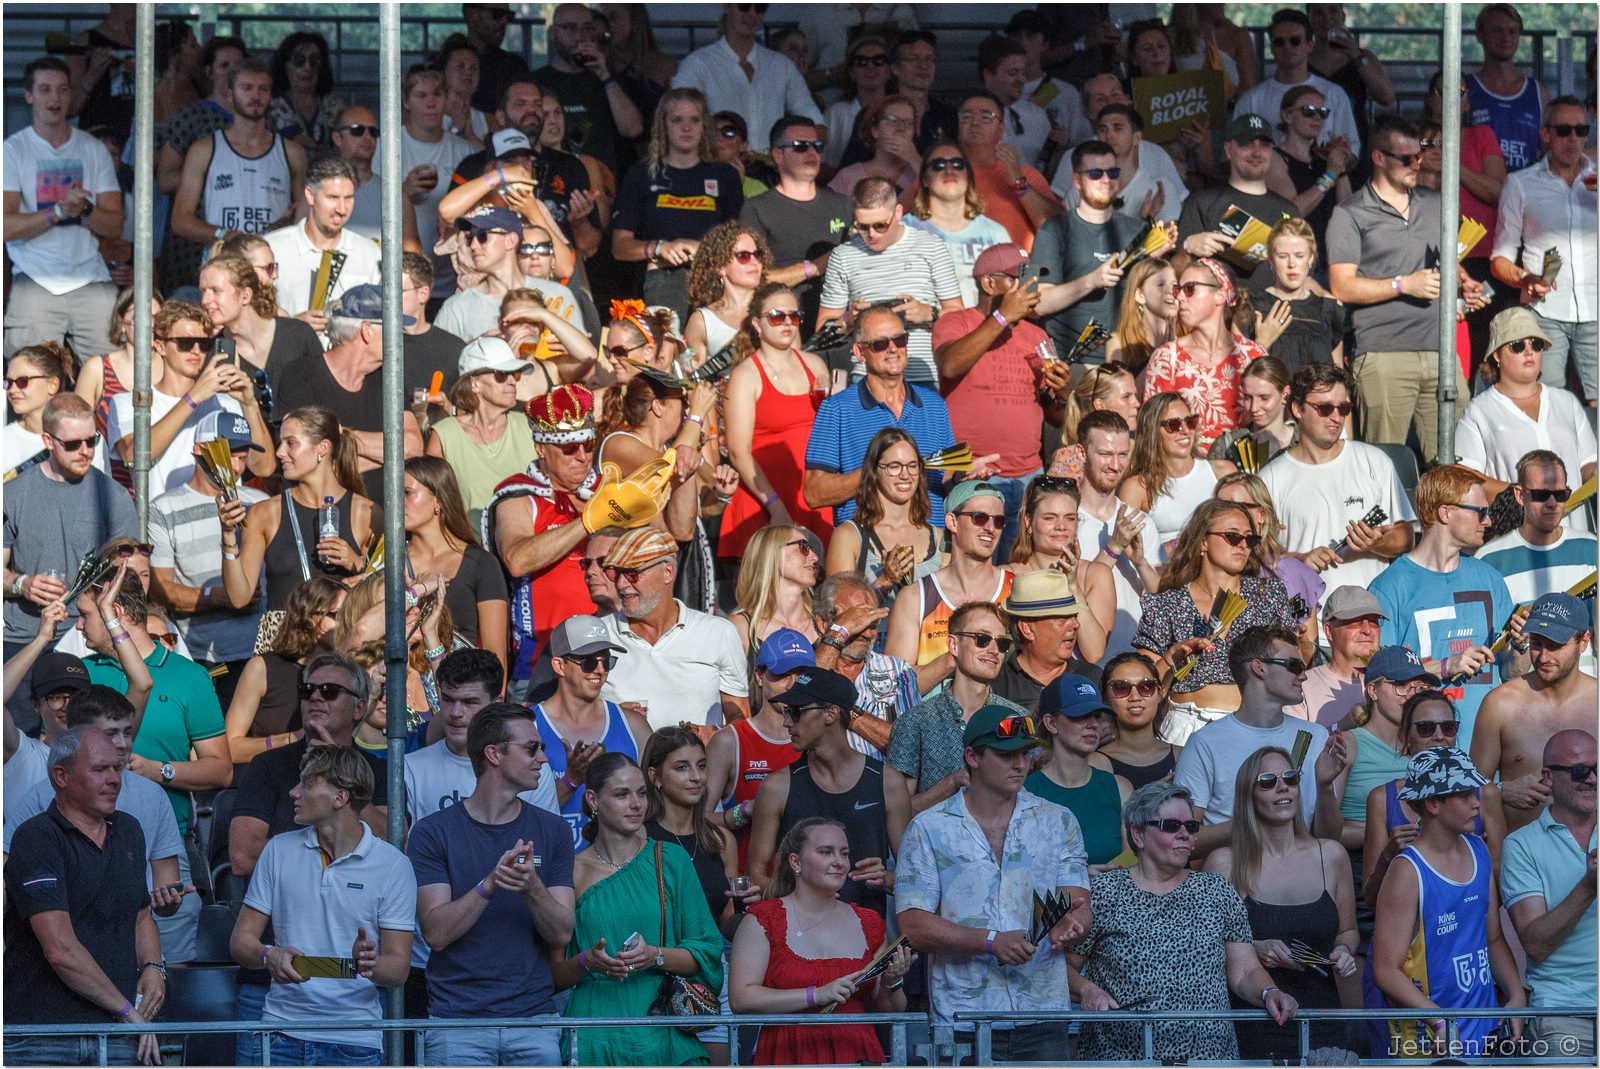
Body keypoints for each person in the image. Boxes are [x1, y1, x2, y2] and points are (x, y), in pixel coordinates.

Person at [897, 705, 1090, 1060]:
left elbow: (1078, 903)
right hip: (963, 1019)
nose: (1020, 763)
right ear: (972, 756)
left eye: (1025, 752)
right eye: (1005, 754)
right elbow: (913, 926)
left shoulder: (1058, 820)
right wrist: (989, 942)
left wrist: (1071, 926)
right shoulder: (929, 827)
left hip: (1043, 1013)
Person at [1074, 780, 1299, 1061]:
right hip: (1122, 1057)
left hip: (1209, 1056)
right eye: (1171, 826)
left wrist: (1269, 992)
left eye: (1191, 827)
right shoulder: (1104, 892)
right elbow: (1064, 967)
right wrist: (1087, 990)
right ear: (1139, 835)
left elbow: (1243, 970)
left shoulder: (1216, 890)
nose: (1184, 834)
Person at [409, 702, 575, 1065]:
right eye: (532, 748)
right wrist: (490, 884)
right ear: (494, 754)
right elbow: (435, 933)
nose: (543, 760)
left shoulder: (553, 830)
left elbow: (562, 933)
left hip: (534, 1020)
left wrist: (533, 889)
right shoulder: (432, 832)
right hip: (457, 1024)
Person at [230, 745, 414, 1066]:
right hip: (280, 1032)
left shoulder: (393, 865)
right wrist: (268, 954)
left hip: (354, 1039)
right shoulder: (278, 850)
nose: (293, 792)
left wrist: (368, 964)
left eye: (306, 784)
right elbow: (240, 942)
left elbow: (398, 969)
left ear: (339, 798)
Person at [2, 728, 163, 1067]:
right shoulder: (36, 838)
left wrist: (153, 966)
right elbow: (59, 950)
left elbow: (141, 913)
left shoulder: (130, 830)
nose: (114, 779)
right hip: (43, 1037)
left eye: (117, 768)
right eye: (99, 769)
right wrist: (127, 1011)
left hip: (118, 1032)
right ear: (61, 776)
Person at [1327, 113, 1482, 463]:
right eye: (1406, 158)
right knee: (1386, 463)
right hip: (1384, 353)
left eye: (1419, 155)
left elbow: (1446, 259)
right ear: (1378, 158)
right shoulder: (1350, 214)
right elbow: (1341, 286)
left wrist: (1463, 281)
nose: (1417, 164)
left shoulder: (1435, 203)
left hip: (1441, 351)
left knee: (1455, 463)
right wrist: (1402, 285)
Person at [554, 753, 722, 1066]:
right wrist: (586, 962)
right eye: (621, 794)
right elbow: (553, 974)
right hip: (595, 1032)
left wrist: (656, 955)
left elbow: (708, 951)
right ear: (592, 799)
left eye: (641, 793)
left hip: (662, 1028)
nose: (636, 804)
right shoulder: (572, 871)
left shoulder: (670, 859)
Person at [1202, 745, 1357, 1060]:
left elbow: (1348, 930)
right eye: (1268, 781)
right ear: (1249, 794)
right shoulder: (1225, 863)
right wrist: (1253, 947)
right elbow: (1203, 947)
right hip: (1254, 1019)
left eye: (1290, 777)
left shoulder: (1331, 855)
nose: (1283, 786)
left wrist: (1343, 951)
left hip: (1322, 1017)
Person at [1370, 747, 1524, 1058]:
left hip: (1484, 1030)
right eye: (1464, 794)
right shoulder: (1407, 870)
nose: (1476, 803)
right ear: (1432, 803)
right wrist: (1439, 1019)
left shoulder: (1478, 849)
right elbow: (1385, 969)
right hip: (1430, 1042)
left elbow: (1492, 938)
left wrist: (1516, 994)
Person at [730, 816, 913, 1065]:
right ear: (795, 861)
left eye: (844, 853)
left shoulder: (869, 922)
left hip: (856, 1052)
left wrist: (892, 982)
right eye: (826, 852)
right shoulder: (764, 918)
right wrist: (814, 995)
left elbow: (889, 1011)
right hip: (789, 1052)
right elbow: (741, 998)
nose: (839, 862)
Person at [74, 563, 232, 833]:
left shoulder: (190, 677)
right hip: (91, 838)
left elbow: (221, 770)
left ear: (115, 612)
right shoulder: (80, 673)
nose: (78, 625)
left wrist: (158, 770)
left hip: (168, 838)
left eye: (84, 615)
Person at [1369, 465, 1516, 749]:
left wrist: (1519, 644)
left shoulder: (1490, 578)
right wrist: (1448, 665)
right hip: (1421, 752)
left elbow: (1510, 670)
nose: (1488, 521)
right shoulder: (1389, 587)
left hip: (1485, 749)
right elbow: (1381, 681)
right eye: (1480, 512)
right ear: (1445, 512)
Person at [933, 242, 1065, 555]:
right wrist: (1003, 317)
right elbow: (950, 363)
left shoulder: (1038, 336)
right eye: (1020, 279)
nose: (1030, 287)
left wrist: (1062, 393)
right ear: (989, 283)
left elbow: (1055, 415)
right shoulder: (955, 322)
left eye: (1033, 278)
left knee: (1017, 577)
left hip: (1027, 477)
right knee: (972, 576)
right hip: (972, 473)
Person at [749, 667, 910, 920]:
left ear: (831, 713)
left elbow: (913, 876)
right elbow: (756, 872)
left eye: (797, 712)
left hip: (865, 941)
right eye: (787, 712)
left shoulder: (887, 782)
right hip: (799, 940)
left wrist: (887, 879)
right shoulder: (777, 786)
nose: (786, 721)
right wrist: (798, 899)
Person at [1132, 502, 1301, 741]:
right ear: (1203, 541)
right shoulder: (1167, 603)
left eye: (1250, 539)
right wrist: (1171, 658)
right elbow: (1143, 686)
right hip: (1186, 726)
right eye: (1232, 537)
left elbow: (1293, 664)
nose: (1243, 545)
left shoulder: (1268, 593)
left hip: (1253, 725)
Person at [1172, 625, 1343, 856]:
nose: (1303, 675)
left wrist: (1324, 788)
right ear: (1259, 667)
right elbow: (1183, 841)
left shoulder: (1316, 736)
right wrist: (1254, 822)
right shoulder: (1205, 743)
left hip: (1302, 874)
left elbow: (1329, 840)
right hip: (1236, 880)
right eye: (1294, 666)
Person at [1258, 364, 1416, 610]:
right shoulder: (1270, 479)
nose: (1336, 417)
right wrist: (1299, 559)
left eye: (1343, 408)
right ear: (1297, 409)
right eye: (1324, 408)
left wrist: (1374, 544)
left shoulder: (1375, 462)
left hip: (1370, 620)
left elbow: (1406, 538)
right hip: (1307, 624)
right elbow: (1255, 556)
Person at [3, 57, 125, 360]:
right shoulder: (12, 150)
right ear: (29, 96)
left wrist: (84, 208)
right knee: (30, 381)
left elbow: (115, 226)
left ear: (71, 95)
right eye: (45, 90)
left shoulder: (93, 149)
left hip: (91, 277)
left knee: (116, 379)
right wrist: (58, 211)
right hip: (34, 277)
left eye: (62, 90)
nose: (54, 98)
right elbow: (5, 226)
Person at [802, 303, 967, 527]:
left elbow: (945, 477)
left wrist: (964, 477)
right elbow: (814, 493)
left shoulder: (934, 405)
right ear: (860, 352)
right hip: (866, 546)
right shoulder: (837, 408)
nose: (892, 348)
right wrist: (878, 470)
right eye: (880, 344)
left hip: (930, 545)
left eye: (900, 340)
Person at [483, 385, 601, 696]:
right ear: (540, 448)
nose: (583, 457)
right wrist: (589, 522)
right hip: (543, 665)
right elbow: (517, 559)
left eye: (589, 446)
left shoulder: (606, 488)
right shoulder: (518, 495)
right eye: (569, 449)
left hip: (607, 659)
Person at [216, 405, 378, 630]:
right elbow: (239, 598)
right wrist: (228, 536)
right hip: (282, 648)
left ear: (322, 448)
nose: (280, 452)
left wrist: (359, 565)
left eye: (290, 443)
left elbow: (390, 591)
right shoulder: (264, 514)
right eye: (281, 442)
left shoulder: (367, 513)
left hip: (340, 645)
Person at [148, 410, 269, 702]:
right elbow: (161, 590)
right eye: (230, 456)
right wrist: (220, 597)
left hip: (260, 654)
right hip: (200, 657)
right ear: (200, 450)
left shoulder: (261, 504)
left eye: (243, 457)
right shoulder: (164, 509)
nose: (238, 467)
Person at [111, 299, 274, 497]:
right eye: (185, 343)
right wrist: (193, 397)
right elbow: (134, 457)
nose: (196, 351)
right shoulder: (129, 402)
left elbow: (263, 468)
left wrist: (249, 404)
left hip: (223, 519)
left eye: (204, 344)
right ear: (160, 346)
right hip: (164, 521)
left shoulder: (227, 403)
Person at [276, 285, 426, 498]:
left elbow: (412, 447)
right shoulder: (300, 376)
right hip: (325, 517)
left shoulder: (388, 378)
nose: (404, 339)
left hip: (381, 520)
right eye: (396, 329)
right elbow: (309, 465)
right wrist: (387, 456)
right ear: (367, 330)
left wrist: (342, 437)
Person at [1501, 729, 1598, 1060]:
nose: (1593, 779)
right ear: (1548, 777)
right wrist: (1588, 886)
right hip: (1565, 1013)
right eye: (1580, 771)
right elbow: (1536, 945)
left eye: (1599, 768)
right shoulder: (1521, 845)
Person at [1033, 140, 1173, 364]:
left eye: (1113, 172)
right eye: (1096, 173)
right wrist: (1092, 281)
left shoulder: (1136, 229)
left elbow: (1155, 299)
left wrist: (1152, 260)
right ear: (1077, 180)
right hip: (1071, 362)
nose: (1106, 180)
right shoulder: (1053, 231)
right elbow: (1038, 304)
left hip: (1128, 360)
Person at [596, 526, 748, 731]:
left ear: (667, 572)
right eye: (615, 573)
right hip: (624, 762)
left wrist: (711, 735)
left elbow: (740, 718)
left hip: (700, 761)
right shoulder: (597, 635)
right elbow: (571, 715)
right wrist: (609, 718)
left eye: (632, 574)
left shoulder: (718, 632)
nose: (622, 584)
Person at [817, 177, 964, 386]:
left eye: (880, 225)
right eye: (862, 226)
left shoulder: (931, 247)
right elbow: (822, 332)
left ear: (898, 212)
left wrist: (927, 313)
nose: (871, 234)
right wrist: (850, 320)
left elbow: (959, 315)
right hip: (867, 376)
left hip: (923, 373)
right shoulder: (843, 256)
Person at [720, 283, 830, 559]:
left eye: (794, 317)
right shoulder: (746, 375)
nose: (787, 323)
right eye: (777, 316)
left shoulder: (815, 365)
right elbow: (738, 451)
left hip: (812, 494)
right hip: (765, 497)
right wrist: (775, 505)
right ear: (757, 324)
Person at [1472, 594, 1597, 835]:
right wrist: (1501, 791)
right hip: (1521, 862)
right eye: (1537, 643)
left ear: (1583, 642)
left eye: (1556, 645)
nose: (1544, 656)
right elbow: (1467, 792)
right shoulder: (1500, 705)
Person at [887, 601, 1026, 814]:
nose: (994, 650)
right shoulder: (916, 722)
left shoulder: (1018, 717)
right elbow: (896, 813)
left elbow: (1030, 803)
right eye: (982, 639)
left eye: (1002, 643)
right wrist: (951, 784)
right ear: (954, 645)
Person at [1457, 309, 1597, 511]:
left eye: (1536, 344)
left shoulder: (1567, 402)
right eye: (1518, 345)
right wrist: (1521, 494)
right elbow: (1465, 476)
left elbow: (1588, 464)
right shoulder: (1478, 411)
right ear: (1497, 354)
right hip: (1515, 532)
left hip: (1571, 532)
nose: (1529, 351)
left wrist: (1594, 473)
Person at [532, 614, 650, 846]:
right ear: (559, 666)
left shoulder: (633, 724)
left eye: (606, 661)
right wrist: (571, 780)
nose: (599, 670)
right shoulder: (529, 726)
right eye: (588, 662)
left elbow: (657, 800)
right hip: (555, 870)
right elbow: (519, 815)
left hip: (618, 871)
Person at [886, 480, 1014, 693]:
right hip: (934, 722)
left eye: (998, 521)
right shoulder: (916, 597)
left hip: (1001, 721)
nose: (990, 528)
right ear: (952, 522)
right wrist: (958, 656)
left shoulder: (1015, 589)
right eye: (979, 518)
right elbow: (896, 687)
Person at [171, 58, 306, 248]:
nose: (256, 96)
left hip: (274, 264)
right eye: (247, 88)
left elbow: (304, 215)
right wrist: (225, 235)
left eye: (263, 89)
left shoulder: (292, 152)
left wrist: (289, 224)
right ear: (229, 94)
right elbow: (180, 220)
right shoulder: (204, 150)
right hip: (222, 266)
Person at [704, 627, 809, 862]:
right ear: (759, 676)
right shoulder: (731, 740)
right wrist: (742, 813)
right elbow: (697, 821)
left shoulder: (818, 739)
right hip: (751, 886)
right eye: (782, 674)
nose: (792, 684)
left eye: (801, 675)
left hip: (807, 886)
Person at [739, 116, 852, 331]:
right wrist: (815, 267)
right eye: (801, 146)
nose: (812, 152)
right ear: (778, 155)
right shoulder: (757, 208)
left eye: (817, 146)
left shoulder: (843, 204)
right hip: (784, 326)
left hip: (839, 327)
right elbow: (752, 281)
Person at [1142, 259, 1266, 450]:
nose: (1180, 298)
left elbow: (1269, 424)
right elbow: (1152, 429)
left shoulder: (1253, 354)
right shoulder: (1167, 357)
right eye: (1178, 290)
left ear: (1220, 295)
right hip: (1186, 468)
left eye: (1190, 289)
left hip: (1243, 467)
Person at [401, 456, 509, 673]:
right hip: (397, 690)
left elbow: (495, 657)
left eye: (407, 493)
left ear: (438, 500)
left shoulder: (481, 564)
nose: (397, 502)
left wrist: (489, 707)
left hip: (457, 691)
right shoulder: (387, 560)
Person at [222, 577, 345, 766]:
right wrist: (291, 740)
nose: (347, 623)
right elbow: (229, 748)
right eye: (338, 615)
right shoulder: (262, 668)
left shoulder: (347, 673)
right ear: (310, 617)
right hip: (272, 781)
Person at [670, 3, 820, 154]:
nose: (752, 14)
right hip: (718, 166)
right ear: (727, 6)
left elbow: (816, 122)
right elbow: (676, 119)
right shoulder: (698, 63)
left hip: (772, 169)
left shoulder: (782, 65)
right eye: (744, 5)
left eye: (760, 7)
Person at [424, 337, 539, 531]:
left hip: (530, 545)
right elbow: (431, 505)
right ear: (474, 383)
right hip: (472, 553)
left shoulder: (529, 427)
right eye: (502, 374)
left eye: (515, 374)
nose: (512, 382)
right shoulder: (445, 435)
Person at [823, 428, 941, 607]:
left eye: (912, 465)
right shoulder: (848, 536)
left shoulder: (939, 538)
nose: (905, 475)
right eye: (894, 466)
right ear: (874, 471)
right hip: (877, 634)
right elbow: (839, 612)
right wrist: (884, 582)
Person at [1175, 113, 1296, 288]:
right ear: (1228, 149)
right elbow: (1175, 274)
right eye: (1246, 144)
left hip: (1276, 311)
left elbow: (1304, 276)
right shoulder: (1202, 202)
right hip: (1221, 311)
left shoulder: (1288, 210)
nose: (1256, 152)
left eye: (1264, 145)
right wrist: (1188, 248)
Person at [809, 572, 920, 759]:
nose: (867, 633)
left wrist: (847, 712)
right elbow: (801, 721)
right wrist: (836, 636)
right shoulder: (798, 667)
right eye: (856, 622)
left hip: (884, 786)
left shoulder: (898, 671)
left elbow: (911, 748)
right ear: (822, 623)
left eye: (873, 624)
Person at [436, 197, 578, 343]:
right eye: (469, 238)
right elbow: (437, 365)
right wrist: (477, 347)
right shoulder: (456, 308)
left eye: (482, 236)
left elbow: (587, 361)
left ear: (510, 241)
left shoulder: (556, 297)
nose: (473, 245)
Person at [1118, 392, 1235, 566]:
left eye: (1190, 421)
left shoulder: (1222, 472)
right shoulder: (1138, 487)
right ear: (1151, 431)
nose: (1185, 431)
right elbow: (1125, 551)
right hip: (1167, 581)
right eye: (1173, 425)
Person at [1009, 476, 1116, 661]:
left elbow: (1094, 653)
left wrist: (1073, 586)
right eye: (1049, 518)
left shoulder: (1096, 574)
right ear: (1028, 522)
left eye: (1070, 518)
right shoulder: (1007, 575)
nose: (1061, 527)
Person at [1027, 677, 1132, 865]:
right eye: (1080, 715)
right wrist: (1079, 876)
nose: (1093, 724)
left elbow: (1133, 866)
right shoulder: (1025, 792)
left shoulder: (1119, 788)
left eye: (1097, 716)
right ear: (1051, 723)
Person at [534, 3, 643, 178]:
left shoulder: (608, 81)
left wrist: (605, 75)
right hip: (553, 184)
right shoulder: (535, 82)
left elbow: (633, 129)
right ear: (552, 33)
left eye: (586, 29)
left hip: (603, 187)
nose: (579, 37)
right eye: (570, 28)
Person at [1479, 451, 1599, 610]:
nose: (1552, 503)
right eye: (1541, 494)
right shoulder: (1489, 560)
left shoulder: (1591, 549)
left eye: (1560, 494)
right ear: (1520, 495)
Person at [1234, 9, 1361, 154]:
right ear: (1272, 49)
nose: (1287, 46)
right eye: (1279, 42)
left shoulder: (1334, 93)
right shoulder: (1251, 100)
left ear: (1309, 45)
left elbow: (1352, 152)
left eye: (1295, 41)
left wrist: (1336, 156)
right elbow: (1233, 156)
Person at [949, 91, 1063, 251]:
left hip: (1017, 273)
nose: (975, 122)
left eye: (986, 117)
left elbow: (1057, 228)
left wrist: (1019, 183)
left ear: (1001, 128)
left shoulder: (1026, 174)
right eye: (966, 117)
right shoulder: (939, 174)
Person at [197, 254, 322, 398]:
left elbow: (328, 393)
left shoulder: (298, 335)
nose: (205, 300)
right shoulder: (214, 354)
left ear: (245, 295)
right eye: (203, 291)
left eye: (215, 291)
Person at [903, 142, 1011, 307]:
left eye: (958, 164)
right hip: (923, 329)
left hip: (982, 329)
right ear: (924, 179)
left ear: (968, 177)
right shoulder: (905, 230)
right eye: (938, 165)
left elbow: (1014, 288)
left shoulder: (995, 233)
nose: (949, 170)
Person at [993, 568, 1102, 712]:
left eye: (1075, 615)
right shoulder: (996, 684)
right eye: (1061, 618)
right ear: (1027, 629)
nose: (1076, 625)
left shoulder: (1094, 678)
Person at [1264, 86, 1354, 261]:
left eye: (1323, 112)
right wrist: (1331, 174)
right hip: (1297, 260)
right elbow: (1292, 212)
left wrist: (1341, 168)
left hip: (1331, 256)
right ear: (1287, 116)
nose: (1317, 117)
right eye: (1308, 111)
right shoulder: (1275, 158)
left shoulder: (1325, 159)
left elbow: (1348, 210)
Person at [1248, 219, 1345, 372]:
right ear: (1271, 259)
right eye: (1283, 256)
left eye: (1299, 255)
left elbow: (1339, 374)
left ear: (1311, 258)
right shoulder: (1252, 306)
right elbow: (1235, 375)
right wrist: (1260, 345)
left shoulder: (1328, 311)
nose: (1291, 264)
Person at [1468, 3, 1550, 173]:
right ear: (1480, 35)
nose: (1505, 37)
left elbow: (1548, 149)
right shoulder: (1465, 87)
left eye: (1512, 31)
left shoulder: (1537, 91)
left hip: (1525, 192)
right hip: (1478, 193)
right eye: (1497, 30)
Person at [1287, 586, 1385, 728]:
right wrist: (1340, 727)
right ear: (1329, 631)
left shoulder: (1394, 686)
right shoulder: (1302, 687)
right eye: (1355, 622)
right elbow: (1295, 748)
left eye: (1373, 621)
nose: (1367, 630)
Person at [682, 219, 770, 368]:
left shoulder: (777, 311)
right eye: (743, 256)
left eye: (758, 254)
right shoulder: (702, 321)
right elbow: (691, 381)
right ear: (720, 267)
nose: (754, 262)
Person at [1095, 651, 1179, 789]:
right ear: (1105, 698)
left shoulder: (1184, 756)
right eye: (1121, 688)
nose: (1135, 697)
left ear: (1160, 694)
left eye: (1146, 687)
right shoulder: (1094, 765)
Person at [5, 343, 89, 476]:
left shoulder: (88, 439)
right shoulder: (4, 440)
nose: (12, 390)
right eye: (8, 382)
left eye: (23, 381)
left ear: (52, 385)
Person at [821, 34, 894, 172]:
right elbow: (822, 163)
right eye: (861, 61)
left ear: (889, 71)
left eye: (879, 60)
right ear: (851, 72)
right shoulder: (836, 113)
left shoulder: (902, 111)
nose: (870, 66)